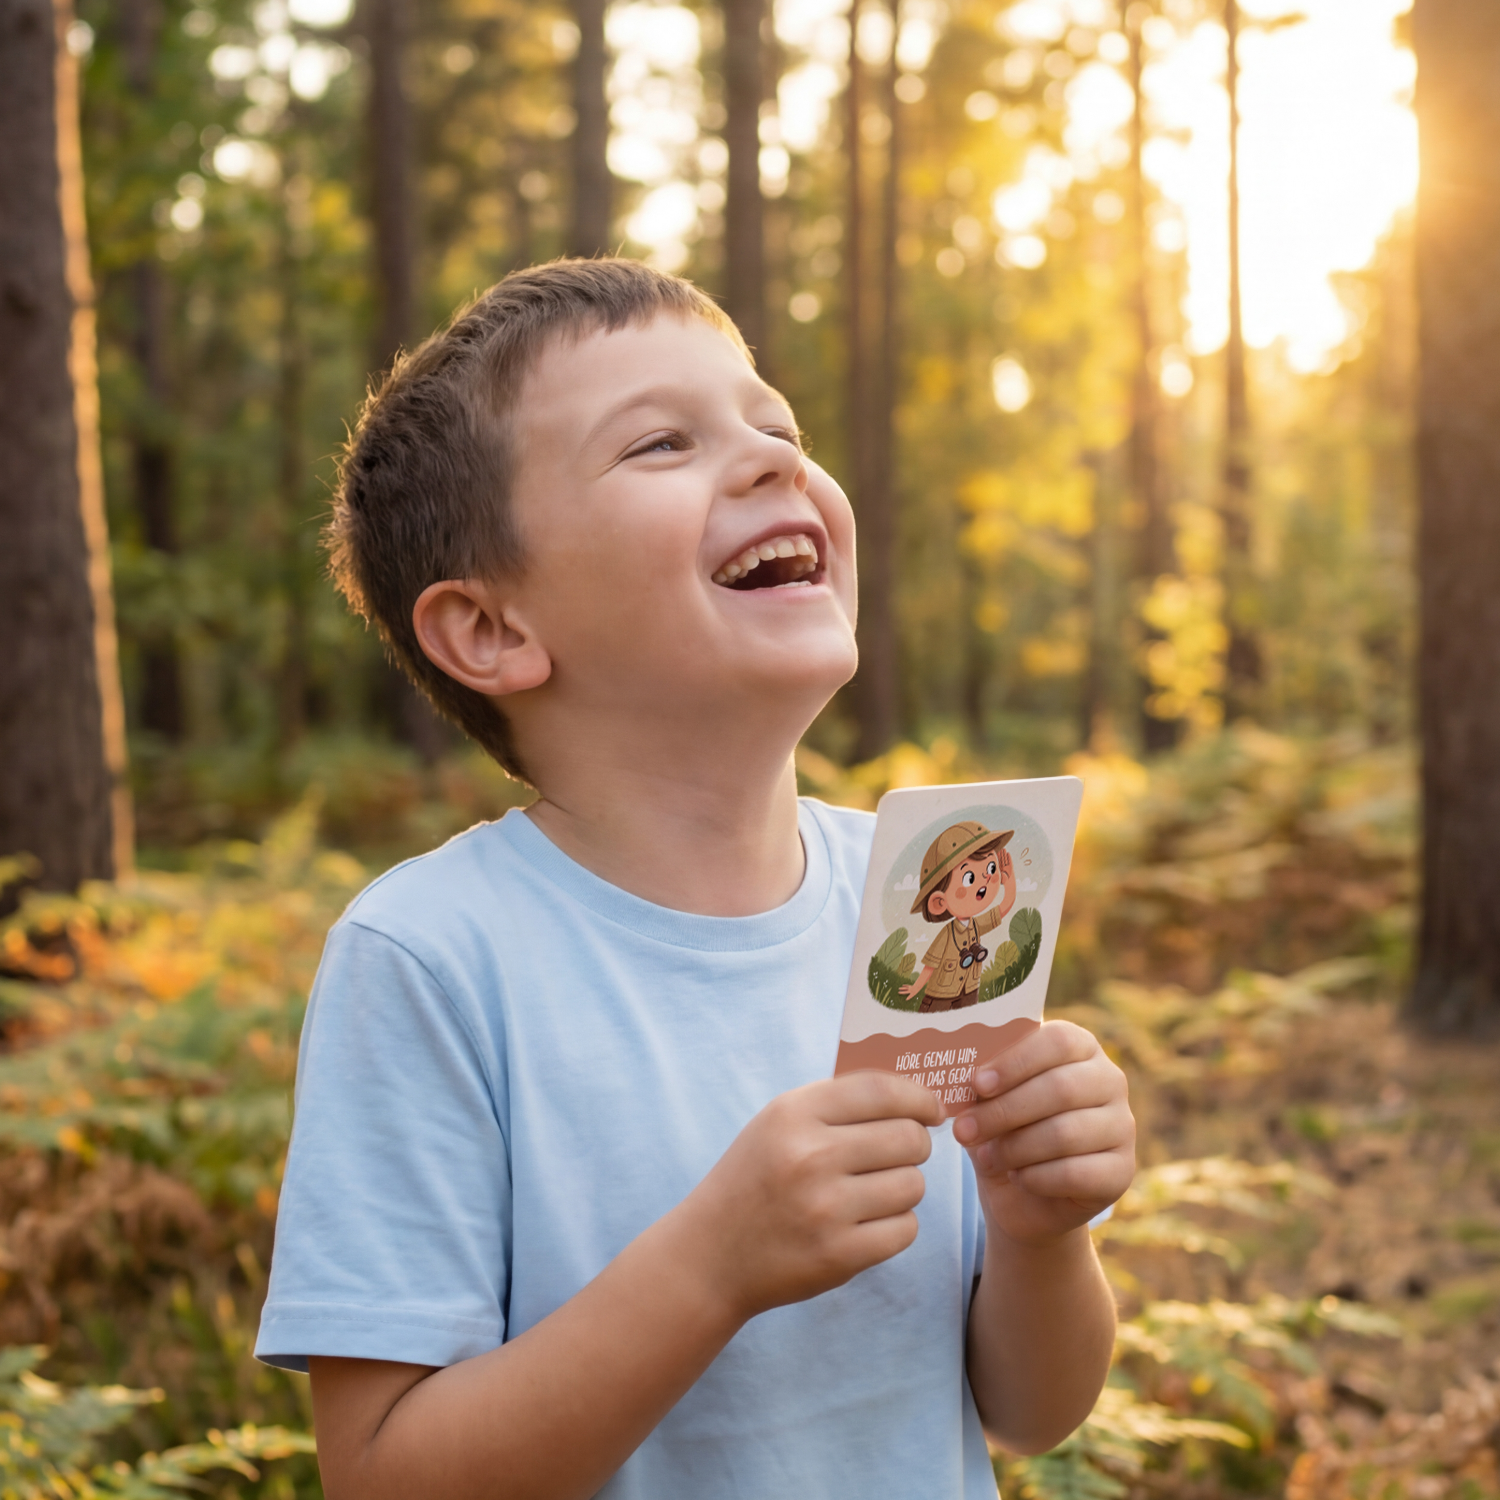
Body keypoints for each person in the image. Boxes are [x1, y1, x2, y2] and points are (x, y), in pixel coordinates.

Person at [254, 258, 1136, 1500]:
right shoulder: (431, 957)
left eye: (777, 425)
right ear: (493, 631)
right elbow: (383, 1475)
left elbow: (1034, 1412)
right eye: (661, 443)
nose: (776, 460)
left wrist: (1043, 1236)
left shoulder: (919, 902)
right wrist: (713, 1266)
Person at [899, 820, 1017, 1012]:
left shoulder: (977, 925)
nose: (986, 879)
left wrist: (1009, 880)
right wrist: (916, 988)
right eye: (969, 878)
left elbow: (1004, 907)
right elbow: (930, 966)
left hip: (970, 992)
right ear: (939, 902)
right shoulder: (946, 935)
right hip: (940, 997)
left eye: (990, 869)